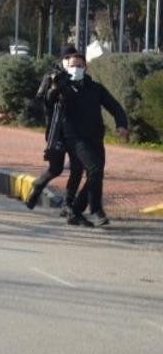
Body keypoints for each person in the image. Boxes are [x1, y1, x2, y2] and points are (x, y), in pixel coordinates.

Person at [45, 48, 129, 227]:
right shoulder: (64, 89)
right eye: (73, 66)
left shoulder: (95, 88)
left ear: (85, 67)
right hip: (75, 138)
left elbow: (115, 107)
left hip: (96, 138)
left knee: (96, 174)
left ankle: (76, 211)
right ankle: (96, 210)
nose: (76, 69)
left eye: (80, 66)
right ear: (67, 67)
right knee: (95, 170)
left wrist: (121, 124)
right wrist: (55, 87)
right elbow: (49, 102)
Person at [25, 48, 87, 215]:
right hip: (57, 130)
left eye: (76, 62)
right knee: (56, 168)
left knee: (77, 167)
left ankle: (68, 203)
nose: (71, 64)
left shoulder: (84, 80)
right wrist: (54, 88)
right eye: (67, 59)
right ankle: (37, 186)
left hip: (77, 131)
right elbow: (42, 101)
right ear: (62, 60)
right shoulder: (52, 76)